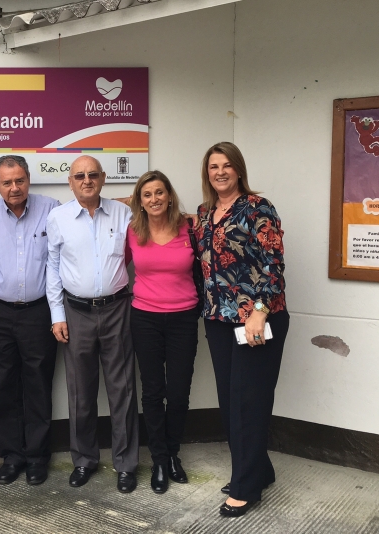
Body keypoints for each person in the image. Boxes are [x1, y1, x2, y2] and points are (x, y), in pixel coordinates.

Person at [194, 141, 288, 518]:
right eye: (213, 166)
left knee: (249, 402)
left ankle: (246, 486)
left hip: (257, 320)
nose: (220, 172)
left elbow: (273, 264)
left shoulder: (257, 208)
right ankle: (259, 469)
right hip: (219, 320)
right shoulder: (204, 214)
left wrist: (259, 311)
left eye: (227, 165)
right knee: (231, 402)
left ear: (238, 169)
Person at [46, 155, 140, 493]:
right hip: (76, 313)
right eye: (80, 176)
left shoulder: (123, 214)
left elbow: (159, 214)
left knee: (123, 389)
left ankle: (126, 464)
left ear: (103, 178)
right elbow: (52, 267)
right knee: (80, 392)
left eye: (93, 174)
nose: (87, 180)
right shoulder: (57, 218)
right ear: (70, 182)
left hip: (117, 310)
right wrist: (57, 315)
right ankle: (84, 460)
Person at [0, 156, 60, 486]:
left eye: (19, 180)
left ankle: (36, 456)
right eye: (6, 182)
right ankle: (11, 456)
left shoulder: (52, 210)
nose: (14, 187)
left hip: (39, 311)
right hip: (0, 313)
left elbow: (85, 215)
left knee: (38, 384)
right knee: (3, 384)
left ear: (28, 179)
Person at [126, 170, 200, 493]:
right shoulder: (132, 231)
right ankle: (158, 459)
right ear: (139, 201)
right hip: (145, 319)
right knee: (153, 391)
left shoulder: (191, 227)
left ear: (169, 196)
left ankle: (172, 454)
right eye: (147, 194)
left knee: (179, 392)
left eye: (159, 192)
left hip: (184, 318)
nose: (154, 199)